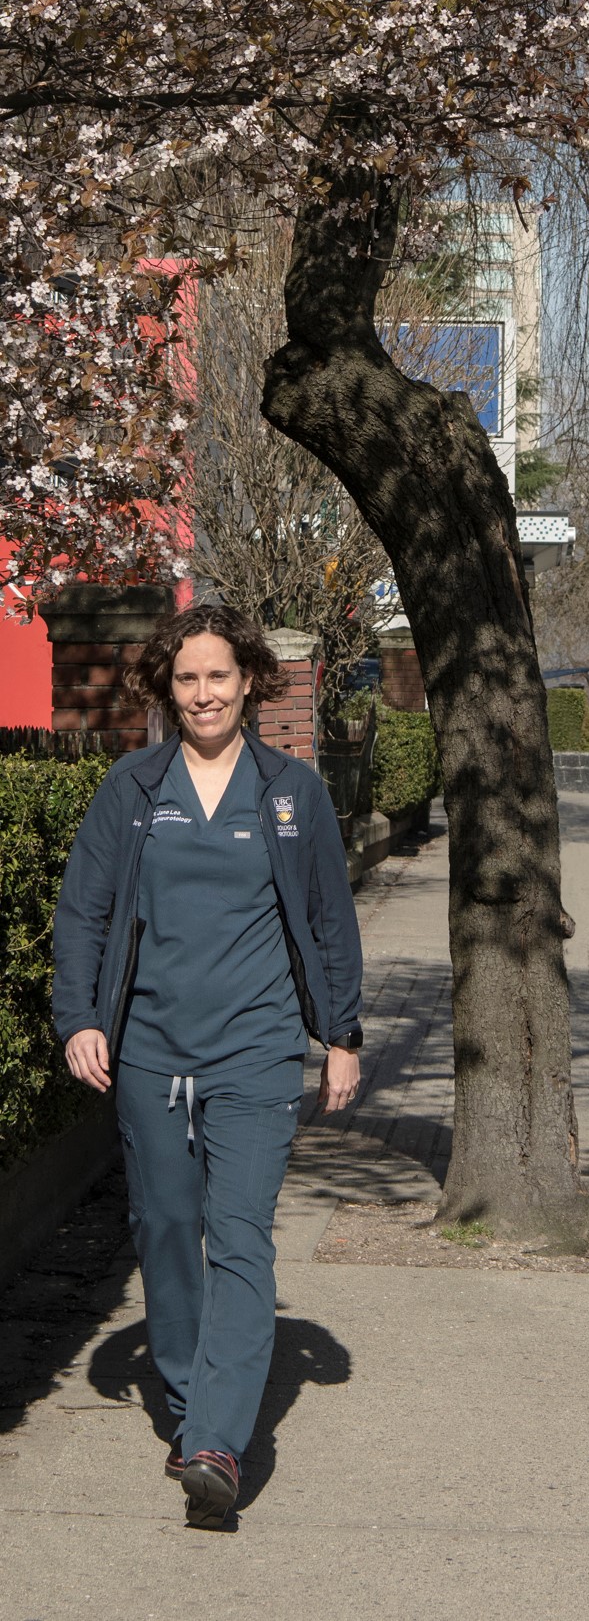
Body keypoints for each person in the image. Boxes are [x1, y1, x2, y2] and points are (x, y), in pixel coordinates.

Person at [53, 604, 364, 1530]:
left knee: (238, 1236)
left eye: (218, 676)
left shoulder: (289, 792)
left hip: (257, 1050)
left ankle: (217, 1440)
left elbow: (327, 918)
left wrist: (339, 1034)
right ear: (169, 688)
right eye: (187, 679)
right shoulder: (134, 788)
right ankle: (191, 1401)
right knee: (163, 1226)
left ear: (250, 681)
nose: (204, 694)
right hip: (147, 1049)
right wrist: (80, 1018)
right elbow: (85, 912)